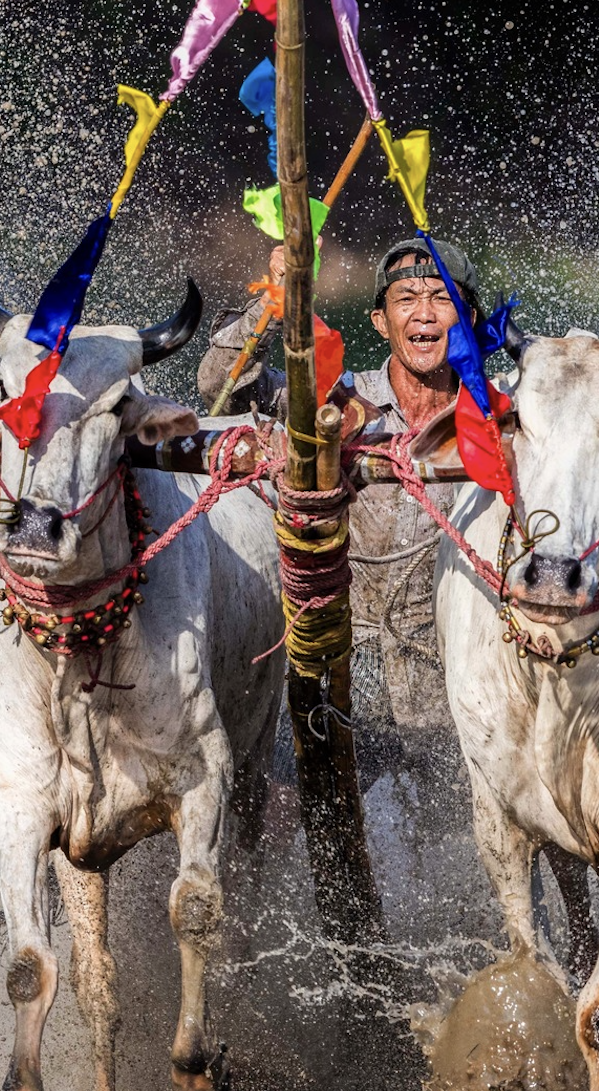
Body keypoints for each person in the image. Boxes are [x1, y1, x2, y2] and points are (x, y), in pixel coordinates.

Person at [196, 237, 486, 740]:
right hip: (344, 668)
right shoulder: (336, 400)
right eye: (406, 300)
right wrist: (273, 298)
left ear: (471, 318)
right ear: (380, 321)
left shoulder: (495, 418)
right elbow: (221, 391)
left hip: (457, 679)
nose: (424, 314)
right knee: (303, 808)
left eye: (442, 298)